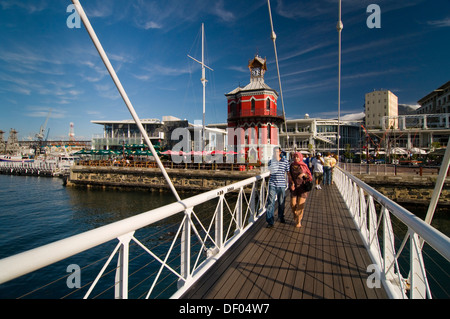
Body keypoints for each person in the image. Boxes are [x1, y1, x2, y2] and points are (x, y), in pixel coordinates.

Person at [266, 146, 290, 228]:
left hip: (281, 185)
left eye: (277, 151)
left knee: (281, 202)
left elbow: (288, 173)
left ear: (280, 152)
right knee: (270, 203)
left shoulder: (285, 161)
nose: (276, 153)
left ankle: (281, 216)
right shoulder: (270, 162)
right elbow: (270, 172)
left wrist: (291, 183)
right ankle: (270, 221)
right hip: (272, 184)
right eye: (274, 151)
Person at [288, 152, 313, 228]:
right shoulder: (292, 165)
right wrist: (291, 183)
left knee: (300, 205)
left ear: (300, 157)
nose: (296, 158)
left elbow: (309, 176)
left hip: (302, 187)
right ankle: (296, 214)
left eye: (297, 157)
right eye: (295, 157)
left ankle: (298, 221)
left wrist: (303, 175)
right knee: (293, 204)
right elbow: (289, 175)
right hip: (294, 187)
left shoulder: (304, 166)